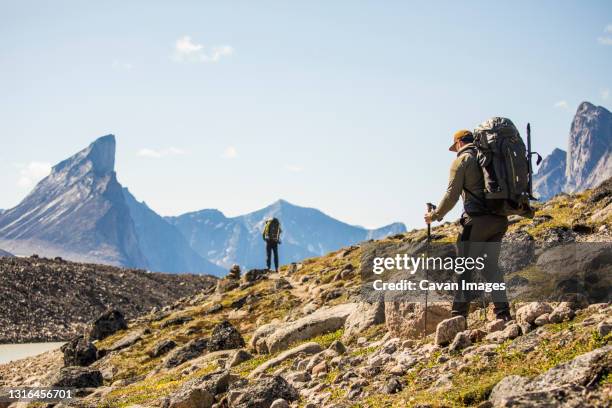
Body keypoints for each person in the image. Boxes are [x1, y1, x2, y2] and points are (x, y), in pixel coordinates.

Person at [424, 129, 511, 321]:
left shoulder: (462, 161)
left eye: (454, 146)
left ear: (459, 143)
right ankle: (503, 313)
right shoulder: (490, 156)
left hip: (477, 221)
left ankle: (458, 316)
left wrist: (435, 215)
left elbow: (451, 195)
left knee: (464, 267)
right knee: (490, 267)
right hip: (499, 219)